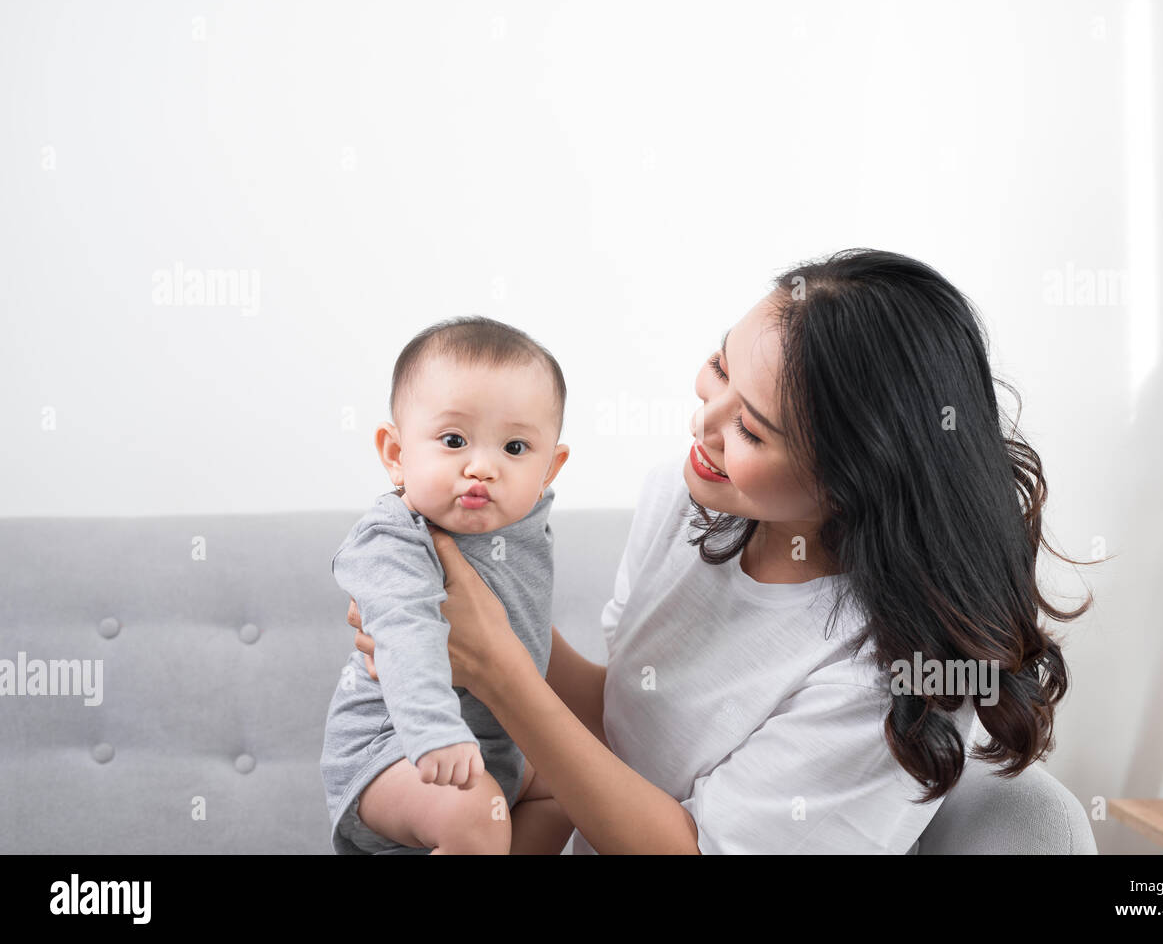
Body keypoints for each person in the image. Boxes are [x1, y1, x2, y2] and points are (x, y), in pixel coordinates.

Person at [348, 249, 1096, 853]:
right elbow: (634, 718)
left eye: (754, 431)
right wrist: (484, 621)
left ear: (850, 478)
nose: (705, 422)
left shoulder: (894, 683)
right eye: (721, 367)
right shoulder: (693, 502)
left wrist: (502, 670)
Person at [321, 316, 573, 854]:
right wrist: (436, 731)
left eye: (515, 448)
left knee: (569, 788)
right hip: (395, 746)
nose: (482, 467)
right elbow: (407, 631)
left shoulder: (524, 518)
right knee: (474, 815)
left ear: (550, 469)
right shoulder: (393, 539)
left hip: (498, 746)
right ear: (396, 455)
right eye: (454, 440)